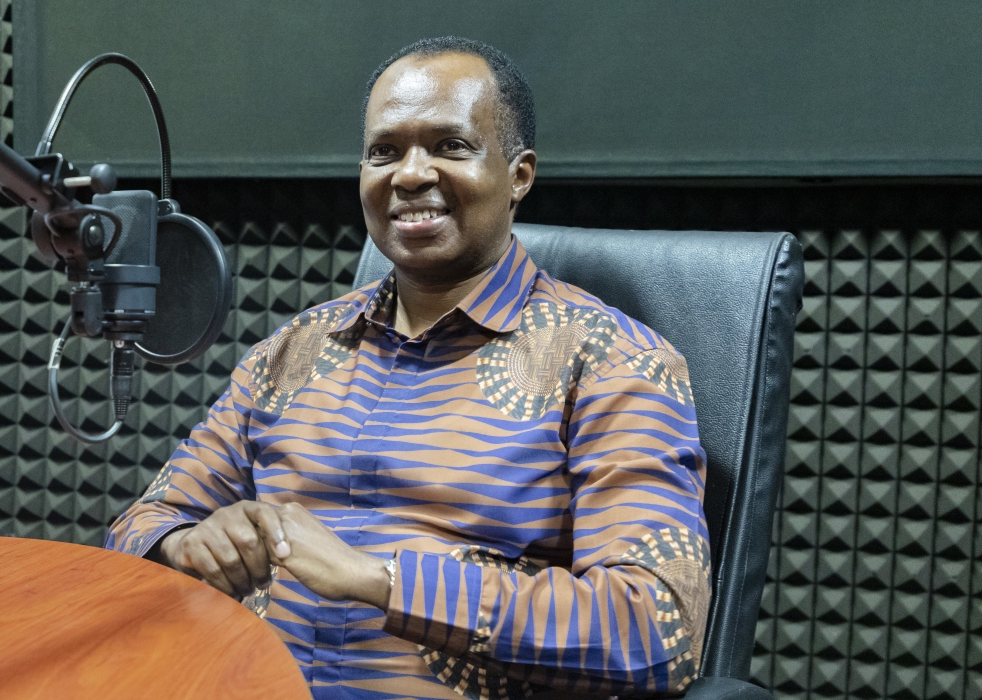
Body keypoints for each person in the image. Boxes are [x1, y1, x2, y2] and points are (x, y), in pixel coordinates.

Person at [108, 36, 709, 700]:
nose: (409, 174)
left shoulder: (612, 363)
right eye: (383, 151)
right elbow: (141, 523)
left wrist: (379, 580)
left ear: (519, 175)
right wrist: (186, 545)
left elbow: (658, 629)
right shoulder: (291, 352)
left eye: (450, 146)